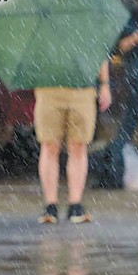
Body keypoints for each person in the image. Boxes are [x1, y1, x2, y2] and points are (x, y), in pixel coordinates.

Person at [91, 0, 138, 189]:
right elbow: (121, 46)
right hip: (137, 77)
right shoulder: (134, 15)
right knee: (130, 123)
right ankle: (114, 167)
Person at [36, 60, 111, 224]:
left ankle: (75, 203)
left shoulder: (89, 33)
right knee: (49, 144)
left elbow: (100, 49)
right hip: (49, 86)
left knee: (78, 145)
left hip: (83, 87)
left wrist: (104, 84)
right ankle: (50, 204)